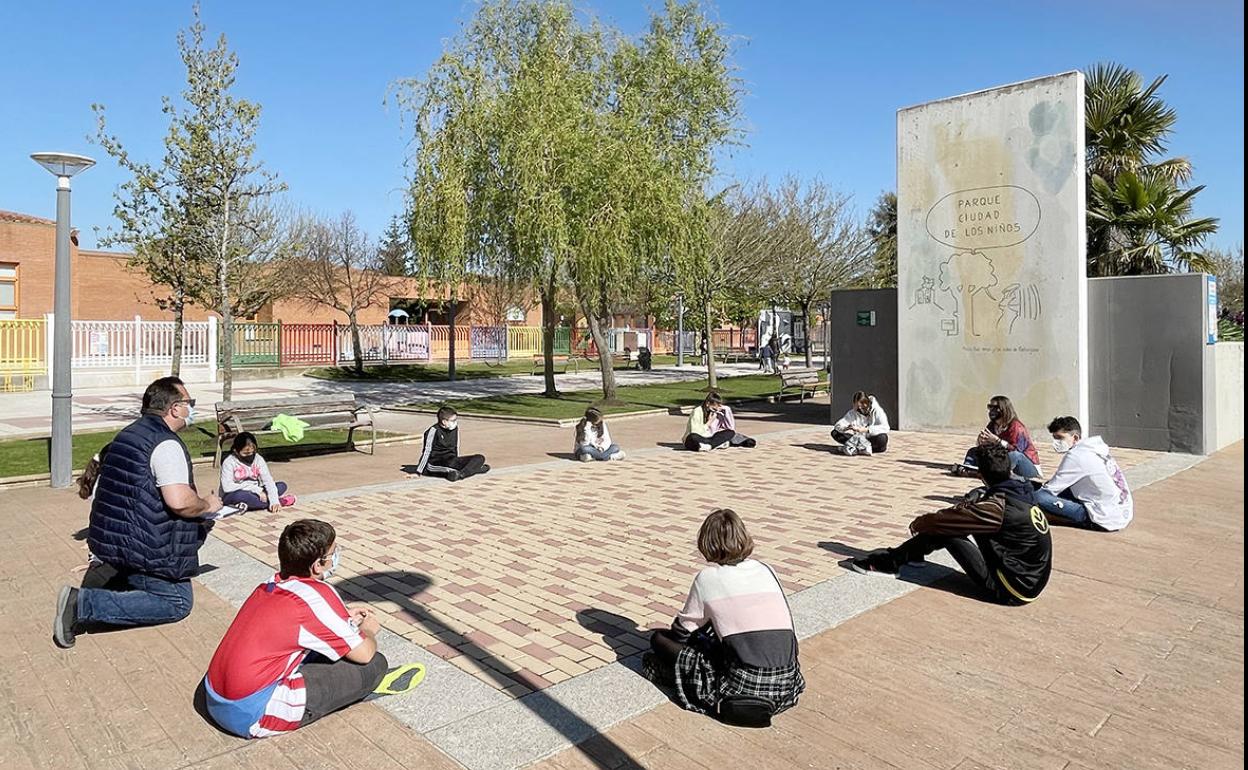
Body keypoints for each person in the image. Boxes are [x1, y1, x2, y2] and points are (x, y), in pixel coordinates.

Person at [53, 376, 223, 649]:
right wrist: (208, 505)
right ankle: (81, 604)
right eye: (189, 403)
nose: (191, 409)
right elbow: (179, 501)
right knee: (177, 602)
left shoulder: (130, 433)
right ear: (175, 408)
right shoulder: (166, 444)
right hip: (145, 546)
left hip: (118, 541)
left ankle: (120, 582)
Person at [202, 519, 388, 738]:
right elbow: (364, 654)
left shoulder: (269, 585)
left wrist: (342, 616)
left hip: (215, 696)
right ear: (318, 564)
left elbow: (301, 618)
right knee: (374, 664)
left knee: (325, 648)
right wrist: (368, 630)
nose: (336, 557)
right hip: (252, 712)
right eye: (333, 552)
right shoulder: (317, 593)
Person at [644, 509, 804, 726]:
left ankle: (673, 675)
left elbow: (682, 633)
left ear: (706, 542)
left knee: (659, 640)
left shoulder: (707, 578)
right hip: (787, 684)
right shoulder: (766, 569)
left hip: (741, 687)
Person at [851, 444, 1052, 605]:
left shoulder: (996, 508)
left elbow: (943, 520)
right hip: (1031, 580)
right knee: (959, 521)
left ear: (980, 474)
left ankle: (890, 563)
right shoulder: (1023, 493)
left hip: (1010, 589)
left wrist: (918, 524)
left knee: (946, 528)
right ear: (1008, 470)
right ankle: (913, 554)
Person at [1034, 416, 1133, 531]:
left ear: (1075, 437)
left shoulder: (1076, 456)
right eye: (1055, 438)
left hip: (1102, 518)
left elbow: (1050, 489)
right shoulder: (1096, 449)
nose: (1056, 443)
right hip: (1121, 511)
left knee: (1038, 497)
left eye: (1060, 438)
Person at [952, 395, 1041, 480]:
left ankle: (982, 473)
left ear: (1004, 409)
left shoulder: (1017, 427)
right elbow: (987, 445)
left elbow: (1017, 451)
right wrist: (981, 441)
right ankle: (967, 469)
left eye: (995, 407)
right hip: (1004, 461)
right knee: (974, 451)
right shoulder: (992, 425)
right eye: (990, 407)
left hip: (1027, 466)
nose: (991, 410)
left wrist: (997, 441)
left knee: (1013, 456)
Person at [219, 432, 297, 511]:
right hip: (234, 493)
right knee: (240, 496)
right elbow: (227, 487)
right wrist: (256, 490)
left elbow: (268, 481)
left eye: (253, 452)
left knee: (281, 485)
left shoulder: (258, 459)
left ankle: (265, 502)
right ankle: (281, 501)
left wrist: (274, 501)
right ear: (236, 451)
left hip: (257, 492)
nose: (250, 455)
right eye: (246, 453)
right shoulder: (229, 462)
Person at [416, 406, 489, 481]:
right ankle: (471, 470)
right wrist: (419, 471)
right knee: (452, 470)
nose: (455, 422)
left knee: (480, 458)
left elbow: (454, 447)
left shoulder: (454, 428)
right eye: (453, 420)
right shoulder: (433, 431)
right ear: (444, 421)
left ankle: (462, 474)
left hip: (451, 459)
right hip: (436, 463)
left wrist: (457, 460)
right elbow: (426, 451)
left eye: (456, 420)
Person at [683, 393, 755, 451]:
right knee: (693, 437)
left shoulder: (717, 413)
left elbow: (730, 428)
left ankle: (710, 446)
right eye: (713, 408)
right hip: (696, 438)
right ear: (708, 404)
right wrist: (709, 422)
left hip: (710, 438)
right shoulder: (697, 411)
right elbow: (695, 432)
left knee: (730, 433)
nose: (715, 411)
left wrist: (726, 410)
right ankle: (716, 444)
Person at [831, 391, 891, 455]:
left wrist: (866, 430)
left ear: (867, 403)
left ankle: (853, 448)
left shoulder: (877, 411)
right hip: (859, 439)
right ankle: (861, 449)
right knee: (835, 433)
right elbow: (838, 425)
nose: (860, 409)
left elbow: (885, 428)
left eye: (862, 406)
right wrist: (846, 427)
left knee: (883, 438)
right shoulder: (853, 412)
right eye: (858, 407)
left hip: (871, 439)